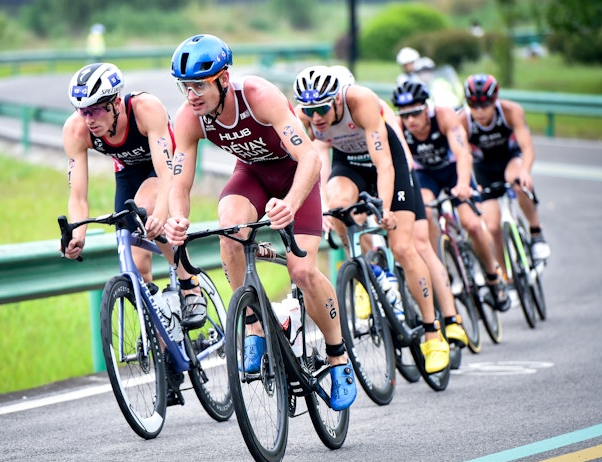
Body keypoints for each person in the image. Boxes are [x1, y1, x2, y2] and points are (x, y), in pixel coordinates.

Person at [164, 35, 357, 410]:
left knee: (302, 271)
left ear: (223, 79)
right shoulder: (189, 118)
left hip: (295, 176)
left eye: (199, 85)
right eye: (185, 87)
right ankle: (254, 325)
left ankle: (338, 358)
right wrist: (177, 219)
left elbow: (310, 159)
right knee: (230, 228)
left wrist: (291, 203)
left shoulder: (257, 95)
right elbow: (179, 182)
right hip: (252, 175)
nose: (191, 95)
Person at [293, 64, 451, 374]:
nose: (317, 117)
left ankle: (433, 334)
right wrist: (321, 206)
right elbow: (315, 163)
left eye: (323, 108)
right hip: (349, 163)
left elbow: (384, 164)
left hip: (386, 163)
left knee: (404, 247)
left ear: (338, 99)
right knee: (336, 206)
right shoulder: (305, 117)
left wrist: (386, 208)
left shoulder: (361, 101)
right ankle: (369, 271)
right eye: (310, 110)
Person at [62, 62, 208, 379]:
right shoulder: (76, 129)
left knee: (148, 208)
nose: (89, 119)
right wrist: (78, 233)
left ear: (116, 102)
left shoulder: (145, 109)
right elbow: (78, 197)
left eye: (96, 110)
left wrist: (159, 214)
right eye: (82, 111)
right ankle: (167, 357)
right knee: (138, 267)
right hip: (127, 175)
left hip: (164, 168)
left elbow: (168, 172)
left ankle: (189, 283)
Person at [392, 80, 511, 312]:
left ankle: (493, 277)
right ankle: (442, 265)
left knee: (473, 224)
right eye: (405, 115)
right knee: (425, 211)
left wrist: (464, 185)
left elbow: (463, 154)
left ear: (427, 108)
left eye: (416, 113)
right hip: (426, 175)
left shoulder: (445, 116)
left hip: (454, 171)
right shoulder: (399, 127)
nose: (411, 121)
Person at [459, 74, 551, 273]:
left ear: (495, 100)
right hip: (484, 169)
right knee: (492, 228)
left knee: (518, 182)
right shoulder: (463, 121)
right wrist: (468, 184)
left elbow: (527, 148)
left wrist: (525, 171)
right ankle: (508, 277)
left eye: (485, 105)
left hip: (510, 159)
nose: (479, 111)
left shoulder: (511, 111)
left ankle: (536, 233)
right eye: (473, 105)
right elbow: (463, 156)